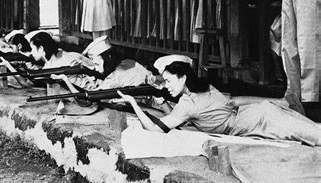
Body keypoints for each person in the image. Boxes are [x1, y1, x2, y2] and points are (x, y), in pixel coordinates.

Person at [117, 61, 321, 146]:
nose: (166, 86)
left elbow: (156, 129)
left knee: (314, 135)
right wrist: (163, 106)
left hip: (253, 121)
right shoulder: (205, 87)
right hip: (255, 114)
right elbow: (185, 116)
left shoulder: (188, 104)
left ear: (183, 79)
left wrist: (133, 103)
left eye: (169, 81)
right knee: (311, 130)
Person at [29, 31, 99, 90]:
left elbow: (96, 68)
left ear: (41, 48)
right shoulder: (50, 64)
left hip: (92, 91)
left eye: (32, 49)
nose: (31, 53)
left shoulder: (66, 59)